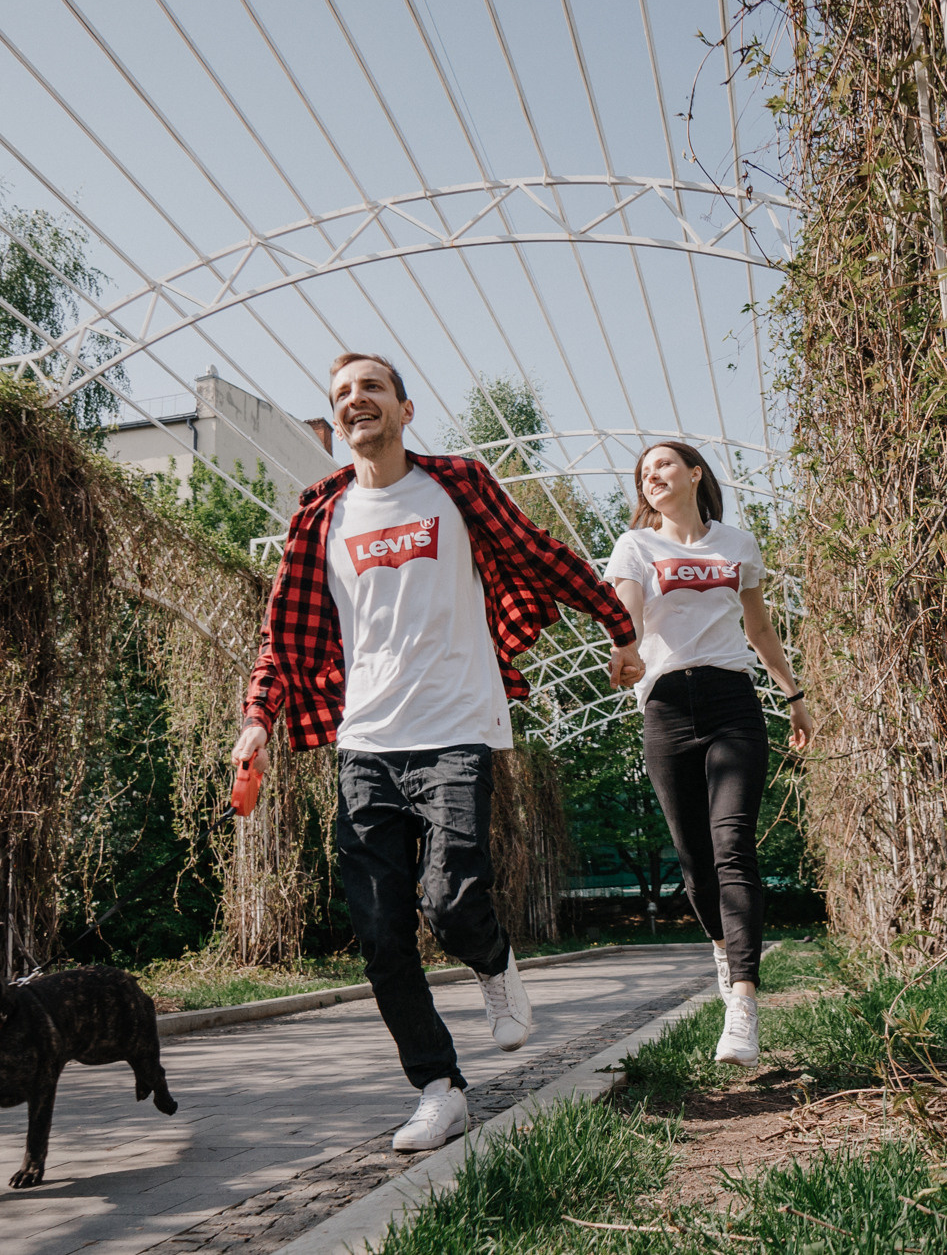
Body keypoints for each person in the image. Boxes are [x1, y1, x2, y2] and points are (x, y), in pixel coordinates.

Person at [230, 351, 644, 1154]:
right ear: (336, 419)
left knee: (451, 898)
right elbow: (282, 639)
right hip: (365, 744)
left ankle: (494, 964)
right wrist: (258, 720)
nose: (357, 401)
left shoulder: (457, 485)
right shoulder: (319, 515)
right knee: (381, 934)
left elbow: (542, 552)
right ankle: (439, 1087)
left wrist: (618, 626)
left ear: (405, 409)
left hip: (456, 725)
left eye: (372, 388)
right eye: (342, 393)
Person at [603, 442, 813, 1067]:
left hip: (732, 702)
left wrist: (793, 694)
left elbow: (759, 627)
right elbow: (627, 612)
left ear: (694, 473)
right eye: (644, 473)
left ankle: (743, 1006)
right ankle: (723, 951)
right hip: (666, 706)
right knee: (696, 865)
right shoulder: (636, 547)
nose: (653, 475)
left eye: (664, 465)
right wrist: (626, 649)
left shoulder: (737, 544)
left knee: (733, 844)